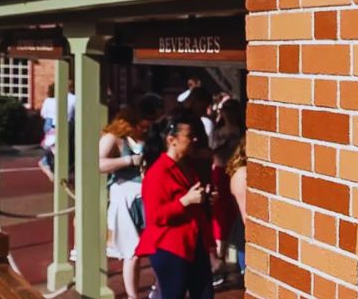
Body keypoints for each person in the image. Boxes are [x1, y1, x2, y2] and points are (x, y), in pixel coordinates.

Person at [138, 113, 214, 299]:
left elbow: (192, 201)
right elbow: (156, 216)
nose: (194, 139)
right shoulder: (158, 173)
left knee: (205, 294)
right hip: (171, 246)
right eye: (189, 136)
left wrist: (205, 198)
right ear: (172, 140)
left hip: (194, 243)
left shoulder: (187, 166)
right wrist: (185, 201)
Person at [100, 105, 149, 299]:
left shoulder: (146, 137)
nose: (144, 128)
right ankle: (132, 295)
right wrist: (129, 161)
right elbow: (98, 163)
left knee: (149, 246)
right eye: (140, 124)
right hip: (125, 196)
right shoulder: (113, 138)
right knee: (132, 250)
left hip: (144, 194)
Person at [210, 135, 248, 288]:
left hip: (238, 231)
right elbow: (246, 215)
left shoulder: (239, 172)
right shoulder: (242, 174)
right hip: (243, 236)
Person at [37, 78, 76, 184]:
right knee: (64, 149)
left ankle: (49, 165)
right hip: (63, 124)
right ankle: (49, 164)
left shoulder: (49, 100)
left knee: (55, 148)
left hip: (49, 124)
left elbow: (43, 114)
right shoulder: (73, 98)